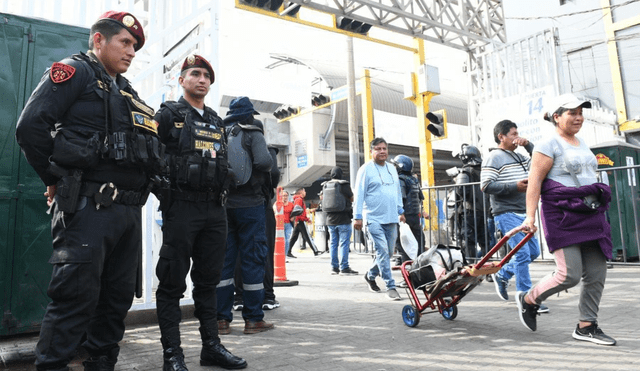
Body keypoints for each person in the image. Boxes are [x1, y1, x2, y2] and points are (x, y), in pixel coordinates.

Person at [15, 12, 165, 371]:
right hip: (87, 208)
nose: (131, 52)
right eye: (125, 43)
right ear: (99, 40)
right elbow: (31, 126)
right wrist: (52, 176)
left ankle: (101, 364)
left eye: (135, 47)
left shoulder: (127, 91)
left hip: (126, 213)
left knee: (115, 302)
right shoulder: (75, 71)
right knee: (74, 299)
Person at [154, 55, 246, 370]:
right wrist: (164, 195)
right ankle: (173, 355)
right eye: (195, 73)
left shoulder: (217, 122)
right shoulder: (168, 115)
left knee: (208, 282)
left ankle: (211, 347)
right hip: (181, 208)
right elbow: (150, 157)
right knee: (171, 283)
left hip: (213, 211)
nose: (202, 79)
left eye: (207, 75)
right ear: (181, 80)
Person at [518, 93, 616, 346]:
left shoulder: (581, 142)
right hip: (561, 215)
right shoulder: (547, 145)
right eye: (572, 113)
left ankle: (586, 326)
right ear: (556, 116)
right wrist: (530, 217)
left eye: (580, 113)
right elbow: (535, 184)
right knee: (568, 275)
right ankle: (530, 299)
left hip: (588, 212)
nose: (579, 117)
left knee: (596, 272)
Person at [216, 96, 274, 335]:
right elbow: (264, 162)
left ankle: (221, 320)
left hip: (224, 205)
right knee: (253, 259)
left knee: (225, 261)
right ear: (250, 115)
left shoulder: (219, 132)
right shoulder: (253, 132)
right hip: (251, 205)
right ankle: (253, 319)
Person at [480, 120, 548, 313]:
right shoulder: (493, 156)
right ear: (501, 136)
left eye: (518, 133)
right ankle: (527, 299)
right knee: (523, 253)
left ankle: (503, 274)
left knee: (533, 252)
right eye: (513, 134)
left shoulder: (519, 156)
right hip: (505, 211)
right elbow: (485, 185)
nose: (517, 137)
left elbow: (538, 162)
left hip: (522, 212)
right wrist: (514, 186)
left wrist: (527, 145)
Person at [354, 138, 405, 301]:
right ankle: (390, 286)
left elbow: (397, 191)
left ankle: (370, 275)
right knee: (382, 251)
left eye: (384, 148)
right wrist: (357, 217)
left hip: (391, 218)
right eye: (378, 149)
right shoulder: (365, 169)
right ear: (371, 151)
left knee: (388, 252)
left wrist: (400, 210)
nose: (382, 151)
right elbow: (359, 194)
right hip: (373, 218)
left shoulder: (391, 168)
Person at [449, 144, 487, 258]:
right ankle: (487, 265)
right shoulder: (484, 170)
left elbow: (461, 190)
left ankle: (471, 264)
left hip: (469, 210)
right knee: (484, 239)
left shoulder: (465, 171)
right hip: (484, 210)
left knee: (468, 239)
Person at [322, 166, 359, 275]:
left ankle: (334, 268)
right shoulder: (344, 184)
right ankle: (344, 267)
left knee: (333, 244)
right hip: (344, 218)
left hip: (330, 219)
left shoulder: (325, 185)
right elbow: (352, 198)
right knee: (344, 244)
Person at [391, 155, 427, 263]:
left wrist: (400, 213)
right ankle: (420, 263)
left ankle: (406, 262)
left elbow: (400, 197)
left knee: (402, 241)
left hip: (404, 215)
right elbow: (420, 197)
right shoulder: (414, 180)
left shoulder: (400, 179)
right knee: (418, 239)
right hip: (415, 216)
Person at [288, 188, 324, 255]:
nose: (305, 192)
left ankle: (288, 251)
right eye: (304, 191)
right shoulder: (299, 199)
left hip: (298, 220)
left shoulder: (297, 199)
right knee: (308, 236)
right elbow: (298, 211)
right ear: (301, 192)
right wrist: (304, 219)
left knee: (294, 237)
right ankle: (315, 251)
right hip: (300, 220)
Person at [279, 190, 296, 258]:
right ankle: (281, 255)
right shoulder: (278, 204)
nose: (285, 197)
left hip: (288, 224)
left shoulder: (291, 204)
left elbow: (294, 212)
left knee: (287, 240)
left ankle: (285, 256)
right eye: (283, 195)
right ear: (281, 196)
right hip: (280, 224)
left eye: (286, 196)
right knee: (282, 241)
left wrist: (293, 217)